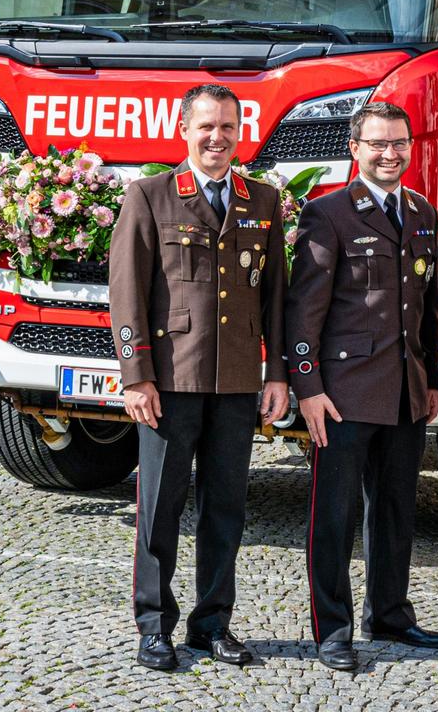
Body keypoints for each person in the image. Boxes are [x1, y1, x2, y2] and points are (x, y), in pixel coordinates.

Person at [109, 83, 290, 672]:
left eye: (228, 127)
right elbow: (127, 293)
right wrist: (137, 376)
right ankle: (153, 624)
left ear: (241, 132)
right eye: (206, 127)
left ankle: (212, 623)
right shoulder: (151, 196)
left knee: (226, 509)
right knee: (160, 507)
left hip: (236, 382)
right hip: (171, 381)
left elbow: (276, 299)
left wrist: (278, 373)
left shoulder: (261, 201)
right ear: (184, 130)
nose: (217, 138)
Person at [285, 101, 438, 672]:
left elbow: (429, 306)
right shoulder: (328, 213)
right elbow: (303, 309)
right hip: (343, 394)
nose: (389, 153)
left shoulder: (422, 211)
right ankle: (333, 628)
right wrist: (307, 387)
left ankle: (391, 613)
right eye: (377, 144)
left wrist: (432, 378)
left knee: (396, 511)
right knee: (334, 516)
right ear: (355, 150)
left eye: (399, 143)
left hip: (405, 392)